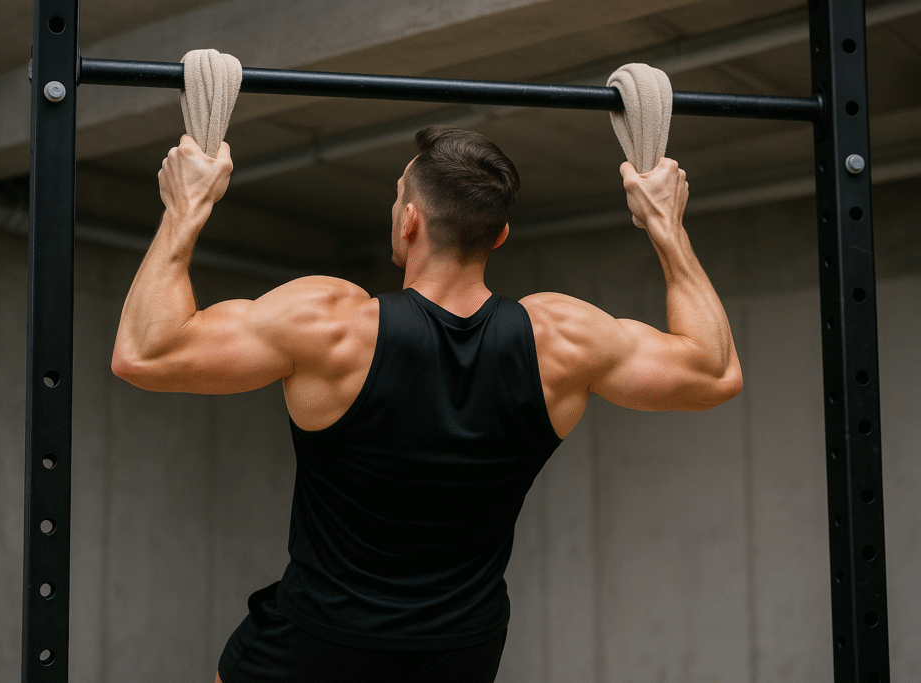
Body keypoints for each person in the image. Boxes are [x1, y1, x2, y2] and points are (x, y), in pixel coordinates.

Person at [112, 126, 742, 683]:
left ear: (409, 220)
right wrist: (667, 226)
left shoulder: (335, 326)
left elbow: (145, 353)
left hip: (316, 645)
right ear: (499, 235)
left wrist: (186, 207)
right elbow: (714, 372)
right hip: (461, 651)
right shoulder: (560, 341)